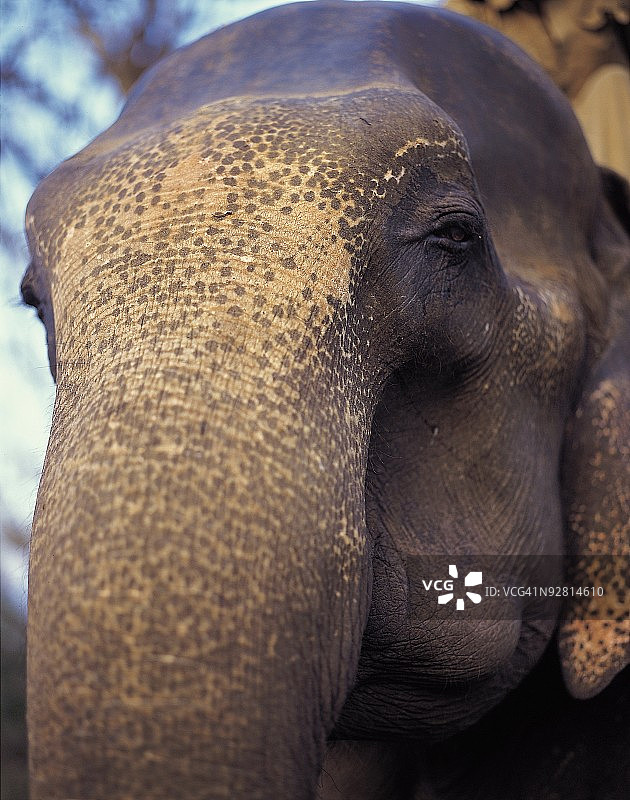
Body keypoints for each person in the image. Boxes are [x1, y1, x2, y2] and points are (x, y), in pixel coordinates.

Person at [446, 0, 630, 182]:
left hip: (603, 135)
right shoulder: (464, 13)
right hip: (528, 144)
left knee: (612, 82)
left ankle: (617, 201)